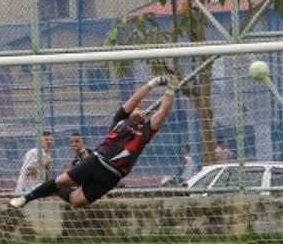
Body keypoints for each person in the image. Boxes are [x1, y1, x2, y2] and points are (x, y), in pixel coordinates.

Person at [11, 75, 175, 209]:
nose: (141, 111)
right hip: (96, 161)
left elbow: (163, 111)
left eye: (144, 112)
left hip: (112, 176)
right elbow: (135, 98)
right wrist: (154, 83)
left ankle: (52, 189)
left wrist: (170, 89)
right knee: (61, 181)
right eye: (139, 108)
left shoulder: (146, 132)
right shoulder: (120, 119)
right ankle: (26, 199)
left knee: (77, 201)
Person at [14, 129, 54, 196]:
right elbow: (28, 172)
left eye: (51, 140)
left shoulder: (47, 155)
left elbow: (46, 176)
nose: (49, 142)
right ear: (40, 142)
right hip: (26, 190)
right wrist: (43, 164)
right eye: (46, 140)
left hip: (37, 188)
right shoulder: (34, 152)